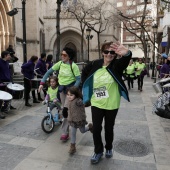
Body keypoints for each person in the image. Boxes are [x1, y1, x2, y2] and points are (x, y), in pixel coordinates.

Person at [81, 41, 132, 164]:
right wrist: (85, 87)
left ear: (115, 54)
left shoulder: (116, 65)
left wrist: (127, 53)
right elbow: (84, 72)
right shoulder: (94, 64)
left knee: (109, 128)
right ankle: (98, 151)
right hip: (97, 103)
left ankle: (109, 147)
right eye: (106, 52)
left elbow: (125, 60)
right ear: (102, 52)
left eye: (112, 52)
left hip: (112, 104)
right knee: (97, 128)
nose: (109, 54)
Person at [39, 47, 81, 141]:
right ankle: (69, 124)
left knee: (65, 109)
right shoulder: (60, 64)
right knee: (64, 110)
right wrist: (42, 83)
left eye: (64, 55)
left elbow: (78, 79)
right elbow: (48, 72)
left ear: (69, 56)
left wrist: (73, 90)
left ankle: (65, 132)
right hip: (61, 90)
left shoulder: (73, 66)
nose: (62, 56)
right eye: (61, 54)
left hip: (70, 91)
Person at [65, 86, 93, 154]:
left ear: (76, 95)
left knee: (82, 131)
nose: (69, 96)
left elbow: (85, 103)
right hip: (72, 121)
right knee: (73, 133)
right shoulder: (69, 101)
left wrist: (86, 100)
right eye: (68, 95)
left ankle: (90, 127)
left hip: (80, 120)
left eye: (71, 95)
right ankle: (72, 147)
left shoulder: (78, 101)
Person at [0, 51, 16, 119]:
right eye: (9, 55)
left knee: (9, 94)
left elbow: (8, 72)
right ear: (5, 56)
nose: (10, 56)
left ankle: (6, 106)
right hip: (1, 83)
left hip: (7, 81)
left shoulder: (7, 63)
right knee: (0, 98)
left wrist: (11, 81)